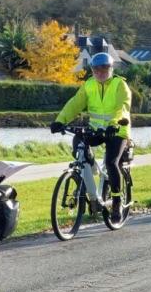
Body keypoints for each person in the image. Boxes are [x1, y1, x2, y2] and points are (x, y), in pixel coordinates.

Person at [51, 52, 131, 223]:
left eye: (104, 68)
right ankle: (93, 181)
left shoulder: (119, 85)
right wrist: (60, 121)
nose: (100, 72)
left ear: (111, 69)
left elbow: (122, 106)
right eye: (96, 69)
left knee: (111, 162)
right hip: (96, 130)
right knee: (78, 144)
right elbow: (75, 103)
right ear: (92, 70)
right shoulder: (88, 85)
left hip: (117, 131)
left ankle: (116, 201)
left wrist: (114, 123)